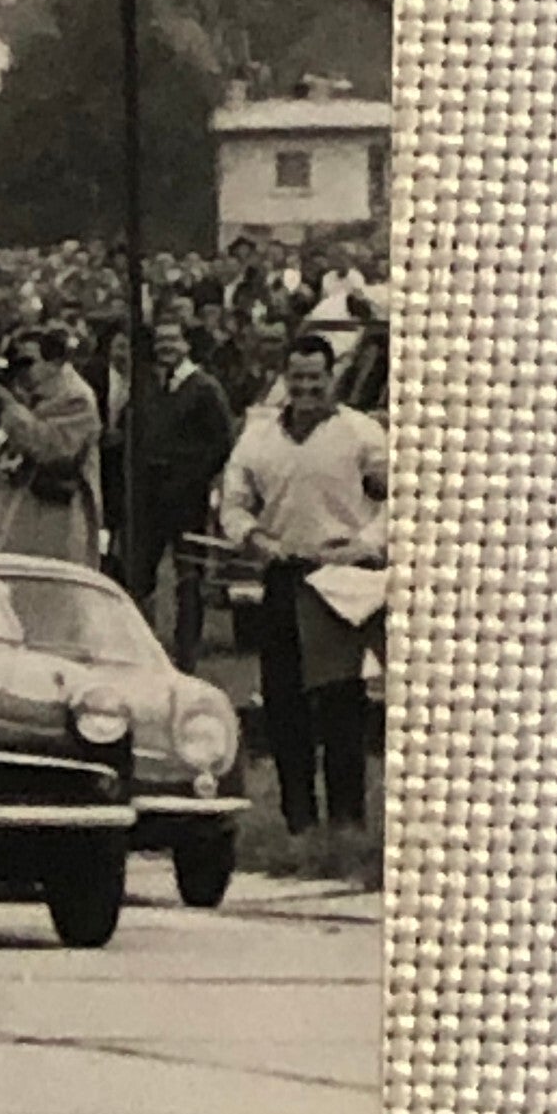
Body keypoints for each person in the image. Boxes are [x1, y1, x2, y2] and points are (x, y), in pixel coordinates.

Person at [218, 332, 387, 835]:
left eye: (316, 378)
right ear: (285, 380)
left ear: (331, 377)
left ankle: (347, 819)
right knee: (284, 698)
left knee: (340, 701)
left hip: (340, 579)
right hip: (284, 574)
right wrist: (254, 538)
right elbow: (232, 504)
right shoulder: (258, 438)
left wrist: (365, 545)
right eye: (298, 379)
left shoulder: (362, 434)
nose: (307, 389)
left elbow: (395, 499)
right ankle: (298, 818)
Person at [128, 316, 235, 672]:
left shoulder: (204, 388)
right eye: (160, 340)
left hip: (187, 496)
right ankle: (141, 650)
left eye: (173, 340)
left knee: (189, 577)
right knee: (140, 573)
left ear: (187, 345)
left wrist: (193, 475)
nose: (166, 347)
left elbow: (222, 441)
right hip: (150, 495)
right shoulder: (148, 386)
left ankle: (186, 655)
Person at [0, 325, 103, 568]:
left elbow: (51, 449)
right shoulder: (30, 396)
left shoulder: (76, 398)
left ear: (55, 360)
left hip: (56, 523)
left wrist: (11, 408)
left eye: (28, 362)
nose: (21, 372)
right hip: (18, 516)